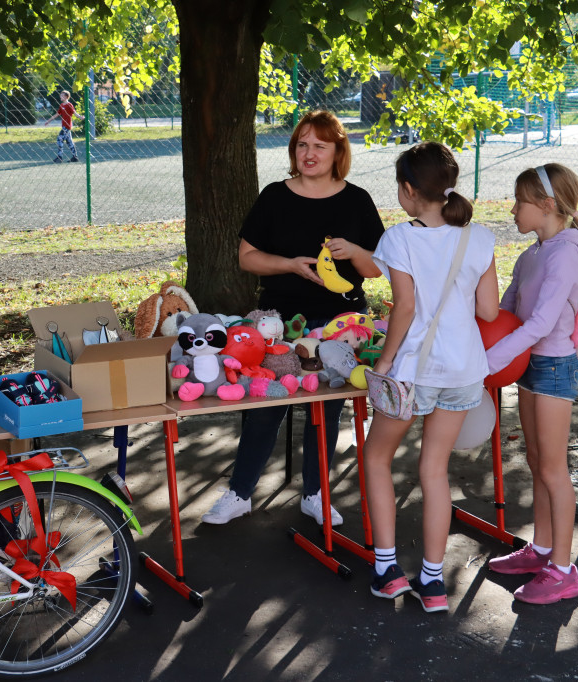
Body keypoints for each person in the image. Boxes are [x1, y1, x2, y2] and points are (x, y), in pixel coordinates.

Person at [201, 110, 384, 527]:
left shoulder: (357, 200)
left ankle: (316, 494)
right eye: (302, 144)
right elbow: (247, 257)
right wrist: (289, 265)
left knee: (327, 410)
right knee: (266, 403)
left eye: (320, 145)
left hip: (342, 323)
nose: (309, 153)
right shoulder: (274, 196)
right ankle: (240, 493)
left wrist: (354, 251)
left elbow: (377, 269)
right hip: (281, 320)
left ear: (338, 151)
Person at [364, 141, 499, 613]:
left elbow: (403, 309)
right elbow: (488, 309)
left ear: (407, 190)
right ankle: (433, 583)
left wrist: (382, 363)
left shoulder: (399, 239)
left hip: (413, 372)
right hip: (465, 370)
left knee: (377, 457)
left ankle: (386, 570)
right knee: (434, 469)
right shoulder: (480, 237)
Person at [485, 164, 578, 604]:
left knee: (554, 469)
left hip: (556, 365)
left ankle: (563, 569)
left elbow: (538, 324)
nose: (513, 210)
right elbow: (506, 313)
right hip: (531, 366)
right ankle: (540, 549)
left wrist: (486, 362)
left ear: (546, 206)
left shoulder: (564, 256)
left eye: (519, 202)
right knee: (537, 460)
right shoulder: (531, 255)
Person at [43, 91, 83, 163]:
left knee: (59, 139)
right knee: (69, 142)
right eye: (60, 95)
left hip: (67, 127)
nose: (60, 97)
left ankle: (60, 157)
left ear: (66, 97)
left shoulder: (69, 105)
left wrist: (80, 117)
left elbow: (75, 113)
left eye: (62, 96)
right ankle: (75, 157)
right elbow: (57, 114)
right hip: (64, 126)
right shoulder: (61, 105)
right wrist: (48, 121)